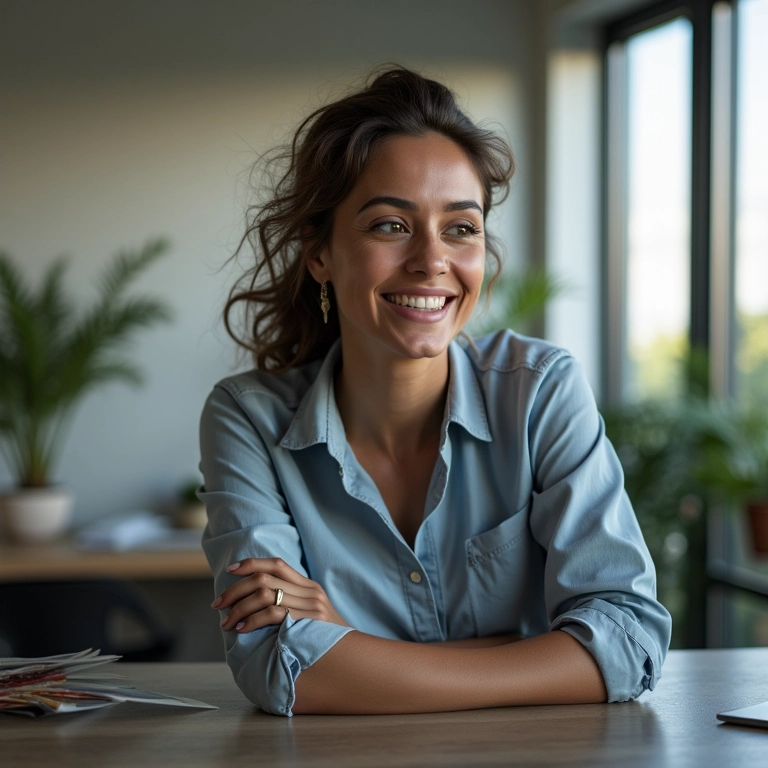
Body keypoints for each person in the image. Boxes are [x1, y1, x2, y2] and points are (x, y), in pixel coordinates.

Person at [199, 66, 672, 717]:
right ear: (319, 254)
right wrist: (531, 652)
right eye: (390, 225)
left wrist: (350, 643)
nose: (431, 260)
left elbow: (627, 640)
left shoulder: (541, 393)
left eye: (461, 228)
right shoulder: (248, 418)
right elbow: (275, 666)